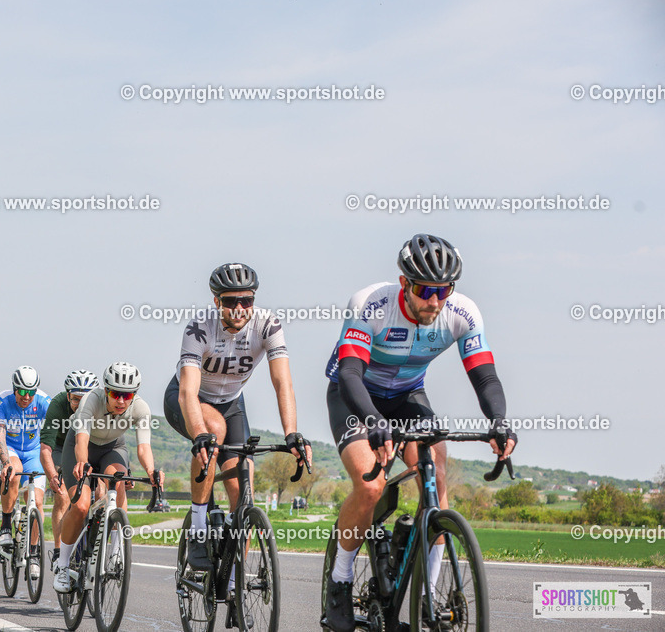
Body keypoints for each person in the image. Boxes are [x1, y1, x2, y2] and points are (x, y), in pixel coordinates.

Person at [322, 234, 516, 632]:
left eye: (443, 290)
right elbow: (350, 372)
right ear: (405, 283)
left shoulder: (462, 312)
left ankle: (426, 589)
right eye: (426, 290)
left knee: (436, 474)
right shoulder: (370, 304)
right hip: (356, 395)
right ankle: (340, 580)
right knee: (371, 486)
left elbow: (485, 376)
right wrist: (373, 421)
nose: (435, 300)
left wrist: (499, 420)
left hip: (408, 395)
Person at [164, 262, 310, 571]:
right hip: (188, 401)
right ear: (216, 301)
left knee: (243, 494)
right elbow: (188, 393)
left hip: (231, 403)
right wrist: (201, 433)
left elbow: (282, 382)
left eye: (247, 300)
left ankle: (234, 578)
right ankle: (199, 529)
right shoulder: (199, 327)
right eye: (231, 301)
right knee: (213, 431)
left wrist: (291, 433)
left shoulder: (267, 325)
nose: (240, 308)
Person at [53, 362, 163, 593]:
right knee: (81, 506)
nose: (121, 401)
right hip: (80, 445)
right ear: (105, 391)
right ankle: (62, 565)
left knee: (119, 482)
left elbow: (143, 448)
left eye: (127, 395)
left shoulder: (141, 409)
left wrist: (152, 471)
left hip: (113, 447)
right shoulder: (90, 400)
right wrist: (82, 463)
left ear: (134, 394)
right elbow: (81, 439)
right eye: (115, 394)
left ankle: (115, 552)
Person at [0, 366, 51, 581]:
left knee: (38, 501)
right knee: (14, 471)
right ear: (14, 388)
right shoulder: (1, 401)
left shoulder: (44, 401)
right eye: (22, 392)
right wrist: (6, 462)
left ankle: (33, 553)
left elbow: (58, 431)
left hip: (33, 451)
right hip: (9, 447)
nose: (26, 397)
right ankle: (6, 524)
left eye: (31, 392)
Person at [40, 369, 99, 569]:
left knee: (100, 492)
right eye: (75, 399)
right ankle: (59, 551)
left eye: (85, 399)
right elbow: (46, 449)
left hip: (88, 448)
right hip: (60, 447)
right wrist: (53, 476)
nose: (81, 404)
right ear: (67, 396)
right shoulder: (57, 406)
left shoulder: (99, 405)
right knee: (64, 494)